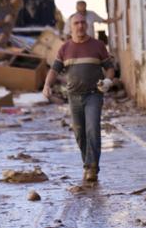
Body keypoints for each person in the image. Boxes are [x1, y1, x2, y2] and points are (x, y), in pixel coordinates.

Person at [42, 12, 115, 183]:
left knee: (92, 129)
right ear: (71, 27)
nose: (80, 26)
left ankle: (92, 167)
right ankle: (88, 164)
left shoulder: (98, 46)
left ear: (87, 25)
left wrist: (108, 81)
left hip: (94, 95)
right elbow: (54, 70)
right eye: (76, 23)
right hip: (73, 97)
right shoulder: (65, 48)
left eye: (83, 22)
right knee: (79, 133)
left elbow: (110, 68)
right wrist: (47, 85)